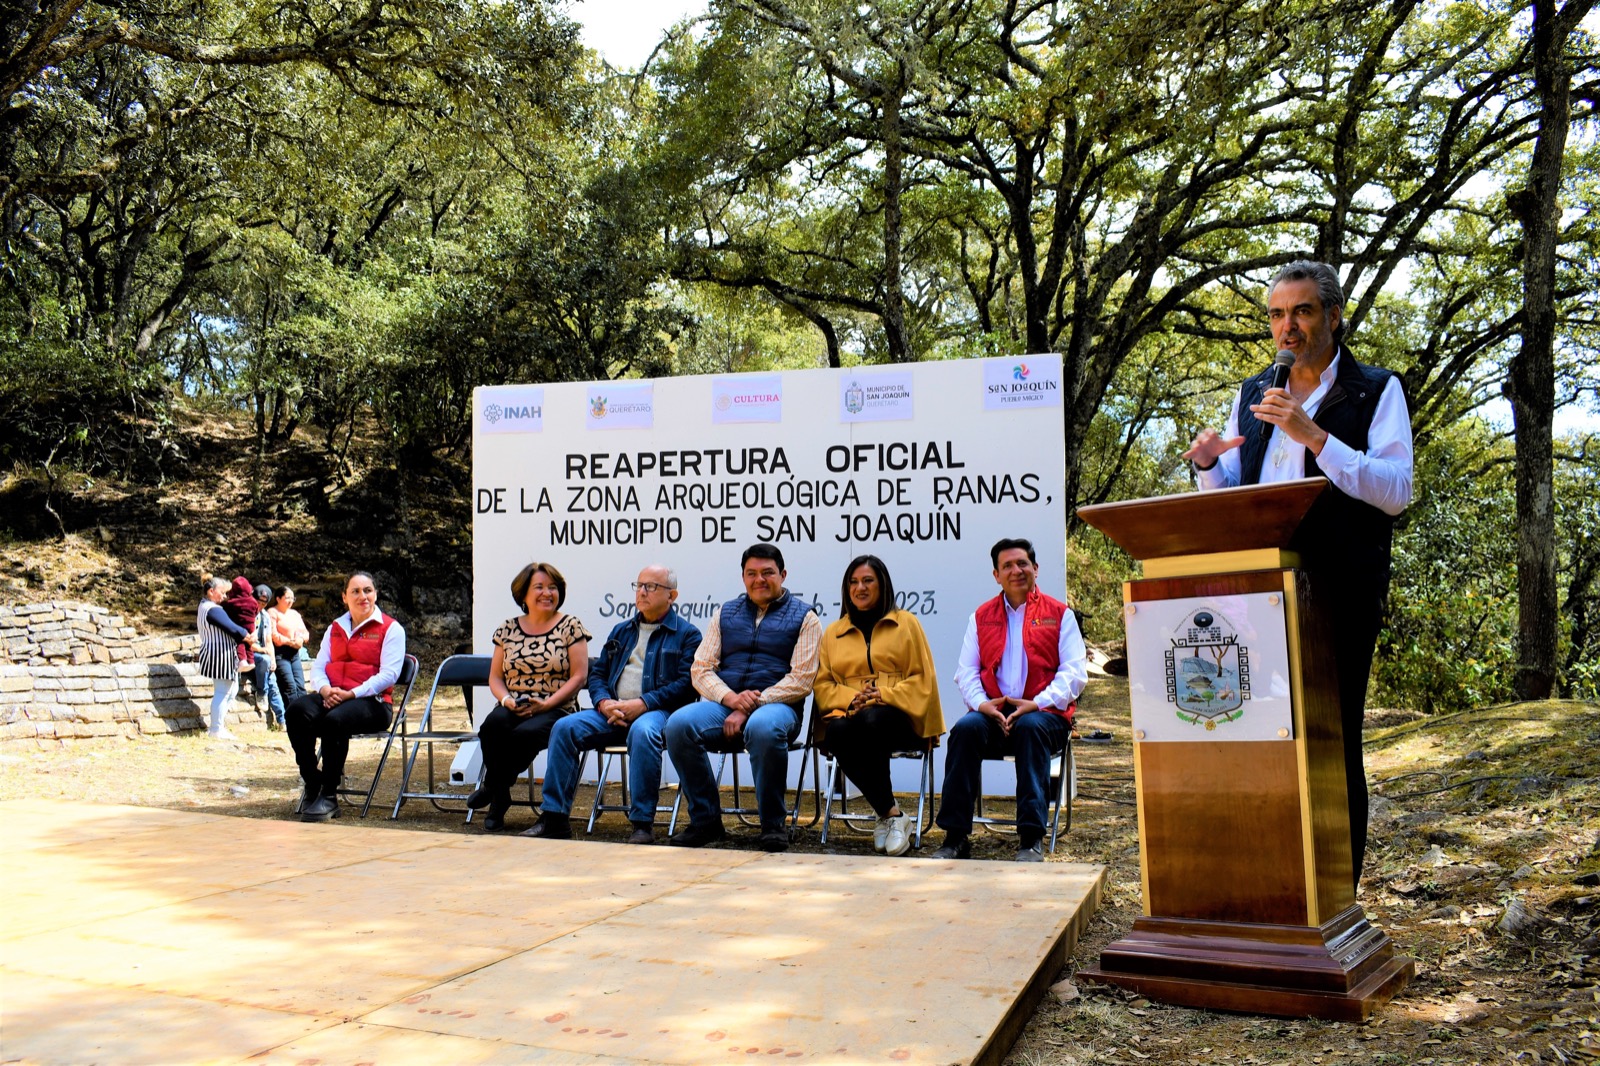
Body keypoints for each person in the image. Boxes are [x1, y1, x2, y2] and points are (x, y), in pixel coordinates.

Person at [1182, 259, 1413, 883]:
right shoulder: (1255, 390)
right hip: (1257, 596)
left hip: (1338, 591)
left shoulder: (1375, 389)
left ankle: (1337, 893)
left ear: (1334, 317)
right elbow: (1233, 494)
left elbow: (1395, 489)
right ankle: (1274, 880)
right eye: (1278, 315)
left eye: (1303, 311)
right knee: (1256, 736)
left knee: (1330, 741)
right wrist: (1208, 465)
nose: (1288, 328)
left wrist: (1315, 436)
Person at [930, 538, 1088, 862]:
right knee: (965, 729)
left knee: (1031, 727)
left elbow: (1074, 674)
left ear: (1035, 569)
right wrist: (981, 704)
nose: (1016, 571)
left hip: (1045, 715)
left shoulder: (1060, 614)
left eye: (1022, 563)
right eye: (1007, 566)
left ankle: (1031, 839)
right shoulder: (981, 616)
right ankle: (955, 837)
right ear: (996, 574)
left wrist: (1038, 702)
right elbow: (967, 672)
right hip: (994, 713)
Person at [524, 564, 703, 844]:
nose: (642, 592)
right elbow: (598, 674)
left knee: (643, 733)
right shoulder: (622, 630)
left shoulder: (688, 635)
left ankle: (642, 824)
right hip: (611, 711)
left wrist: (643, 703)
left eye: (651, 587)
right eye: (639, 585)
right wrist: (604, 702)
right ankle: (554, 819)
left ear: (672, 595)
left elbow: (686, 684)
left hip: (656, 713)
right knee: (564, 727)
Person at [664, 543, 821, 852]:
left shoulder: (806, 618)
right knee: (678, 725)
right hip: (727, 704)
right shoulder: (726, 613)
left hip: (778, 707)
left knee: (762, 727)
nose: (759, 580)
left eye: (767, 573)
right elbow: (701, 669)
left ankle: (772, 825)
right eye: (751, 573)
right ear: (743, 577)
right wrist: (731, 700)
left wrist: (752, 704)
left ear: (783, 575)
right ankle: (706, 820)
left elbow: (801, 680)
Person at [814, 555, 944, 857]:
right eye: (854, 582)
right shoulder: (832, 633)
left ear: (882, 584)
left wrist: (883, 694)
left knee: (873, 720)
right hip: (854, 714)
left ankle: (887, 817)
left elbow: (922, 678)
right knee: (837, 733)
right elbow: (823, 684)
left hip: (901, 719)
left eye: (868, 581)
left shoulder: (907, 624)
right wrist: (850, 698)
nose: (860, 587)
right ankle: (891, 814)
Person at [467, 562, 591, 833]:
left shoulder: (570, 625)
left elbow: (579, 677)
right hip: (516, 704)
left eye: (552, 587)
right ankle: (500, 796)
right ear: (523, 594)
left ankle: (495, 788)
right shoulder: (507, 628)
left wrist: (546, 704)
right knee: (492, 727)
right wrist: (506, 700)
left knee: (525, 734)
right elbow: (496, 678)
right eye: (539, 587)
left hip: (557, 707)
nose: (547, 593)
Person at [286, 571, 407, 823]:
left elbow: (389, 675)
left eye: (368, 590)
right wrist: (325, 690)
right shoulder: (335, 627)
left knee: (335, 720)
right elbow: (319, 667)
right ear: (344, 597)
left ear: (375, 594)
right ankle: (313, 781)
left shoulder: (391, 628)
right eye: (356, 591)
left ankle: (329, 796)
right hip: (333, 695)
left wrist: (352, 693)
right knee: (296, 711)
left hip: (372, 703)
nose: (363, 596)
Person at [195, 575, 256, 739]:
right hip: (219, 653)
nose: (225, 597)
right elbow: (232, 627)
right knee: (222, 691)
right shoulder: (212, 609)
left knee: (232, 689)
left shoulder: (205, 606)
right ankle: (216, 729)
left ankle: (219, 725)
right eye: (222, 593)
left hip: (219, 652)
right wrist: (247, 634)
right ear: (211, 591)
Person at [251, 583, 287, 730]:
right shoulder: (246, 614)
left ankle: (282, 720)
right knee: (264, 661)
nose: (260, 606)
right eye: (258, 602)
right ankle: (261, 692)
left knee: (272, 679)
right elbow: (245, 641)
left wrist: (273, 659)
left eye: (263, 604)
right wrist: (262, 651)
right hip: (250, 654)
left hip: (263, 655)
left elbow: (268, 641)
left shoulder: (265, 616)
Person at [269, 586, 310, 702]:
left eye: (293, 598)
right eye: (287, 598)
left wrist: (301, 639)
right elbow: (274, 636)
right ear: (278, 598)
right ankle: (292, 715)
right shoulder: (272, 612)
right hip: (280, 653)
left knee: (300, 686)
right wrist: (291, 642)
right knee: (289, 686)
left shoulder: (295, 614)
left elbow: (305, 632)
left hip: (295, 653)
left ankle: (304, 714)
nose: (291, 601)